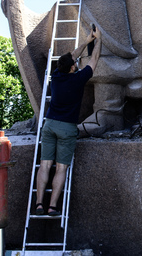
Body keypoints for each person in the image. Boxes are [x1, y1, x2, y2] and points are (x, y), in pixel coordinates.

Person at [35, 26, 101, 216]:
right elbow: (94, 60)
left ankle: (39, 204)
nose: (76, 60)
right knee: (61, 168)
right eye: (75, 62)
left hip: (49, 124)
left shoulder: (56, 76)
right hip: (66, 128)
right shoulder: (78, 79)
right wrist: (99, 41)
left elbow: (71, 55)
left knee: (45, 164)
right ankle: (53, 207)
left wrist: (87, 41)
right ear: (73, 68)